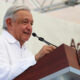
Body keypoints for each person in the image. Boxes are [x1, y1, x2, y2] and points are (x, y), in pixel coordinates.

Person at [0, 5, 56, 80]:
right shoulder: (1, 43)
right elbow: (3, 75)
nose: (30, 28)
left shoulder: (28, 53)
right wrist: (35, 59)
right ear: (10, 23)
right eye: (25, 22)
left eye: (31, 24)